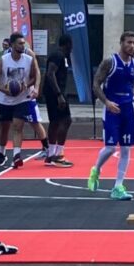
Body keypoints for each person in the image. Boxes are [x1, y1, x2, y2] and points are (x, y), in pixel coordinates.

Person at [87, 31, 134, 199]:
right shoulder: (110, 62)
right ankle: (96, 169)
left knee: (126, 148)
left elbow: (130, 86)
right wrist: (107, 103)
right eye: (129, 42)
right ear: (121, 43)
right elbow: (96, 84)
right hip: (112, 108)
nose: (132, 46)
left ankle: (118, 186)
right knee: (110, 147)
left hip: (128, 109)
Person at [0, 32, 40, 170]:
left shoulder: (28, 59)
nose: (22, 46)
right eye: (20, 43)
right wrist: (4, 89)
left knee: (18, 126)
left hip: (21, 98)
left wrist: (26, 85)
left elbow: (34, 77)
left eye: (23, 43)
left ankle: (17, 155)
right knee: (4, 127)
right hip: (5, 99)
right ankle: (1, 153)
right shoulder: (3, 60)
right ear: (12, 45)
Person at [41, 35, 75, 168]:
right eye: (71, 45)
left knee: (55, 122)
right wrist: (59, 94)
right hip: (56, 93)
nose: (72, 48)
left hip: (53, 93)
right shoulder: (58, 55)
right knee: (66, 120)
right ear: (67, 44)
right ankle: (58, 154)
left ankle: (50, 154)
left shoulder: (61, 56)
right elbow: (50, 73)